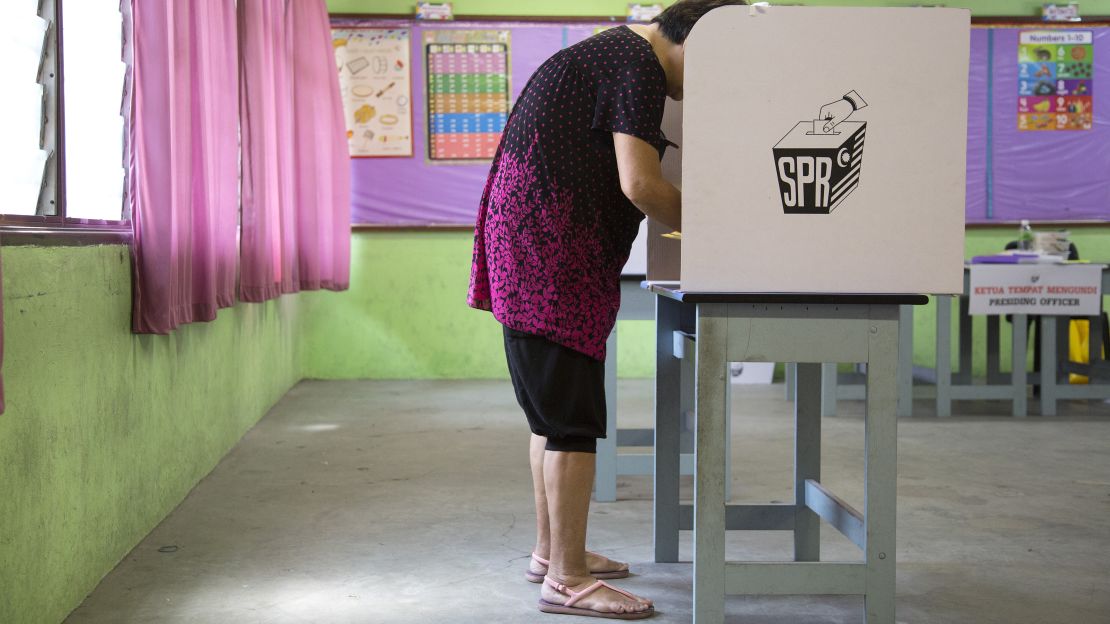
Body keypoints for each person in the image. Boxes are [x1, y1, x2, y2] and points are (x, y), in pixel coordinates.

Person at [467, 1, 747, 618]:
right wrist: (727, 238)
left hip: (534, 250)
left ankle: (553, 553)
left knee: (550, 419)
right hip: (550, 256)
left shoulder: (610, 53)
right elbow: (640, 183)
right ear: (696, 42)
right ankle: (566, 581)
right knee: (571, 421)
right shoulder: (637, 64)